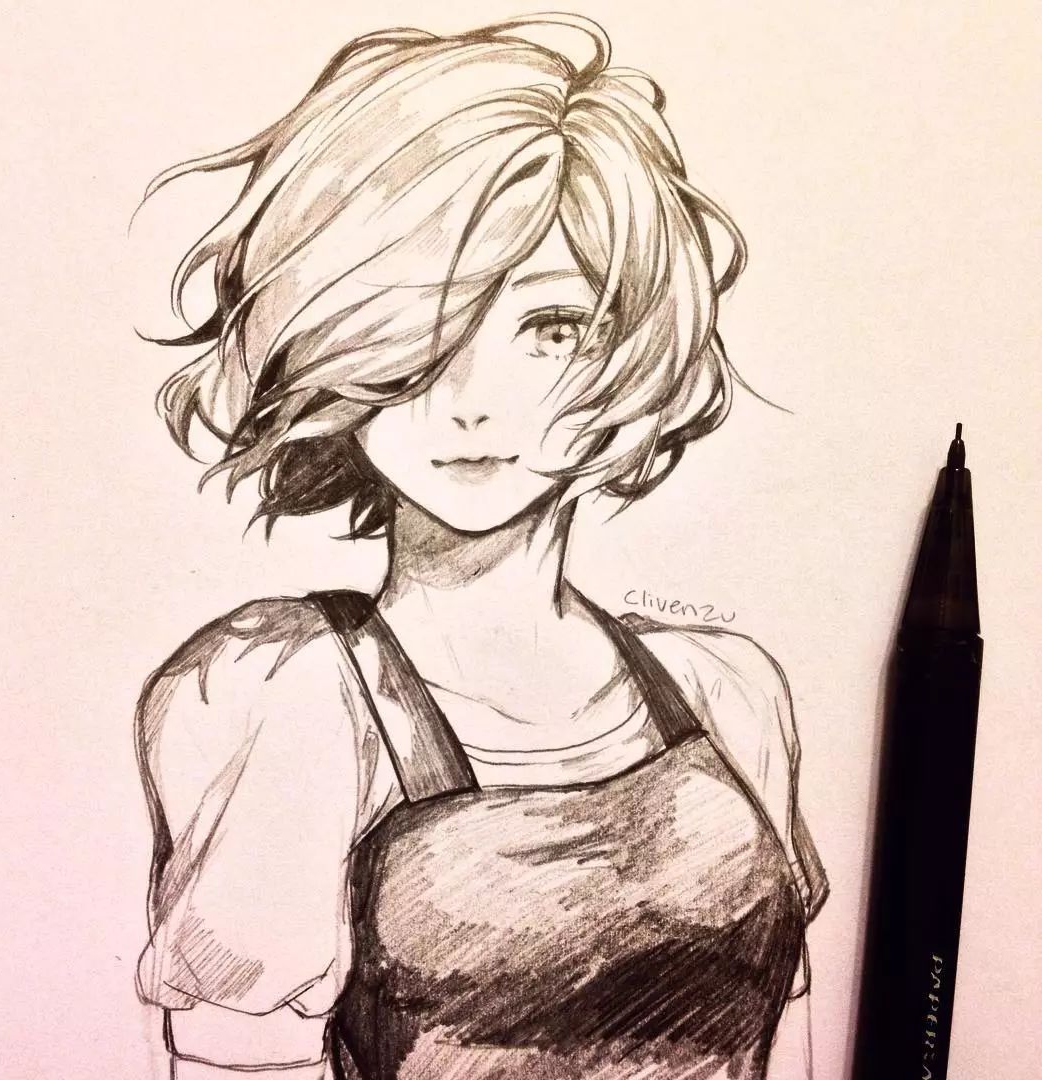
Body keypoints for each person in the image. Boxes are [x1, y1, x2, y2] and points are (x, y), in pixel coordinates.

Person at [134, 15, 829, 1079]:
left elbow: (796, 1043)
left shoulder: (727, 692)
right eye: (425, 332)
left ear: (639, 343)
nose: (468, 402)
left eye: (549, 329)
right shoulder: (293, 696)